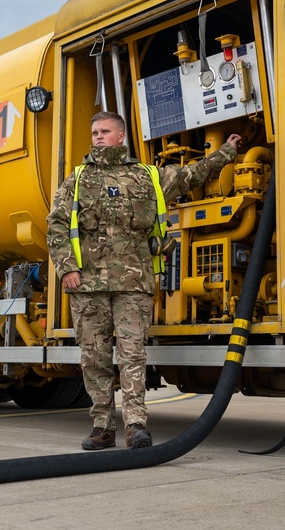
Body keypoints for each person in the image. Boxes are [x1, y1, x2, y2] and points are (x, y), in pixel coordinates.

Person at [46, 111, 241, 450]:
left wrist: (227, 151)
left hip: (133, 283)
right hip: (88, 284)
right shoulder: (76, 180)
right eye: (94, 132)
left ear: (120, 136)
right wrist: (67, 268)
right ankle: (102, 426)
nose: (98, 137)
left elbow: (192, 175)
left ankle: (135, 425)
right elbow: (57, 224)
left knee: (132, 354)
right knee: (94, 357)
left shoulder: (147, 176)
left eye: (105, 131)